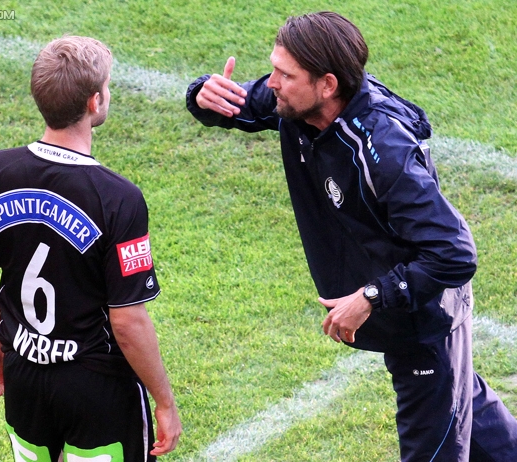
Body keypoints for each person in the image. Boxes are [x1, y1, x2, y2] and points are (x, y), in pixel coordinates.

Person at [186, 11, 517, 462]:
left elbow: (453, 254)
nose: (271, 83)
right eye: (274, 68)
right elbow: (236, 106)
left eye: (285, 74)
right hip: (396, 309)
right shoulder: (299, 102)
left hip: (425, 323)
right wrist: (203, 95)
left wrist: (371, 296)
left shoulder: (385, 153)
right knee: (472, 415)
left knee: (433, 446)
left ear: (327, 84)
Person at [0, 36, 181, 461]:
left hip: (23, 373)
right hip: (95, 385)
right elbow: (128, 322)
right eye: (109, 87)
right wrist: (164, 400)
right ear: (94, 102)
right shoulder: (119, 198)